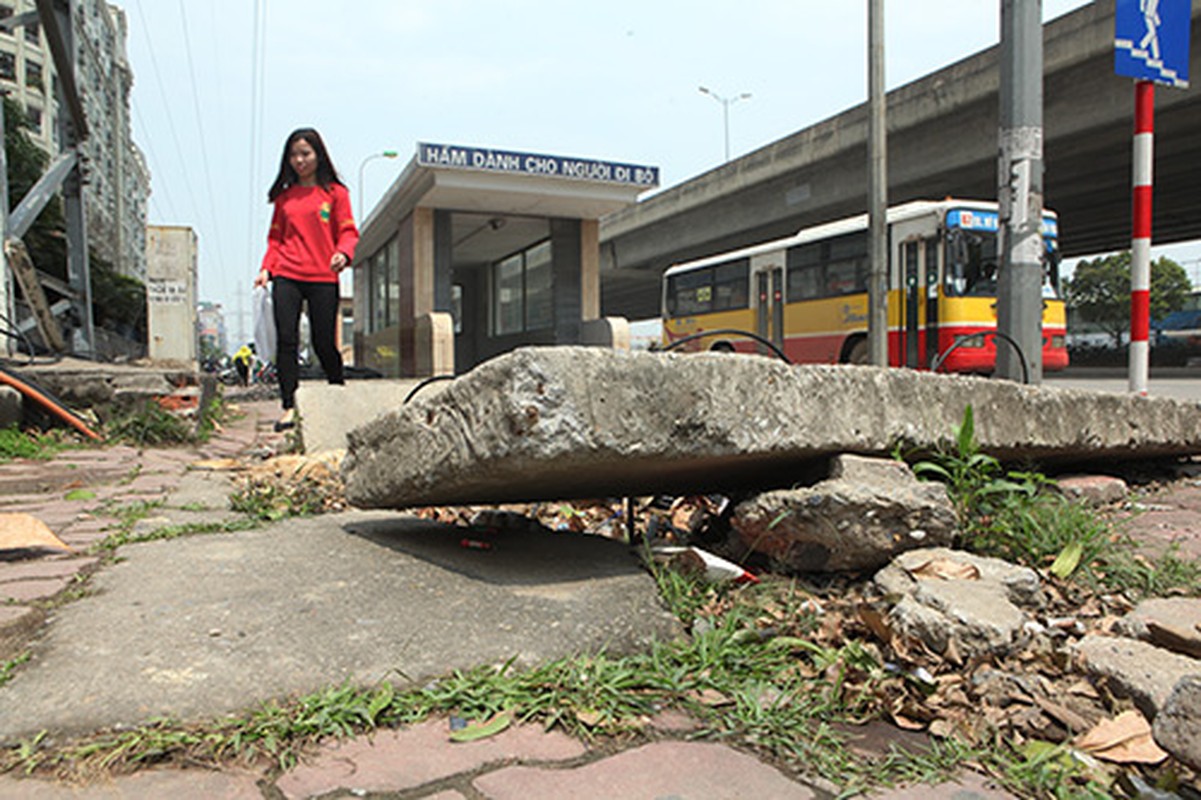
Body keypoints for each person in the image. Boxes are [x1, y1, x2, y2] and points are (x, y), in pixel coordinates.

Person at [255, 128, 359, 432]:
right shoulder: (284, 198)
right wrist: (266, 269)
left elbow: (349, 232)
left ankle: (337, 391)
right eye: (294, 155)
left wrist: (344, 253)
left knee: (323, 341)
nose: (300, 160)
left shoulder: (336, 193)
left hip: (323, 276)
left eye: (305, 154)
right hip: (287, 274)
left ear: (318, 155)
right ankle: (288, 406)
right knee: (287, 341)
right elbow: (275, 239)